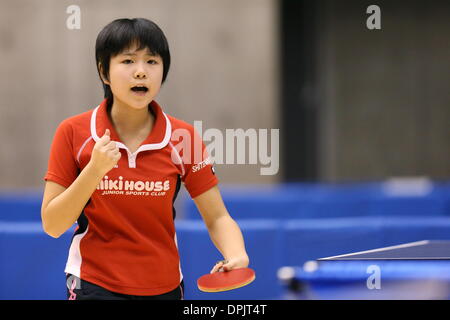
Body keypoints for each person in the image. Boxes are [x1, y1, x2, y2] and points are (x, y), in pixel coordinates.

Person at [41, 18, 249, 300]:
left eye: (152, 61)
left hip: (165, 287)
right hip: (93, 283)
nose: (141, 72)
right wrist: (94, 171)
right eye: (128, 61)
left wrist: (236, 253)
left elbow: (217, 216)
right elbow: (52, 225)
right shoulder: (73, 132)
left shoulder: (182, 137)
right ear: (104, 71)